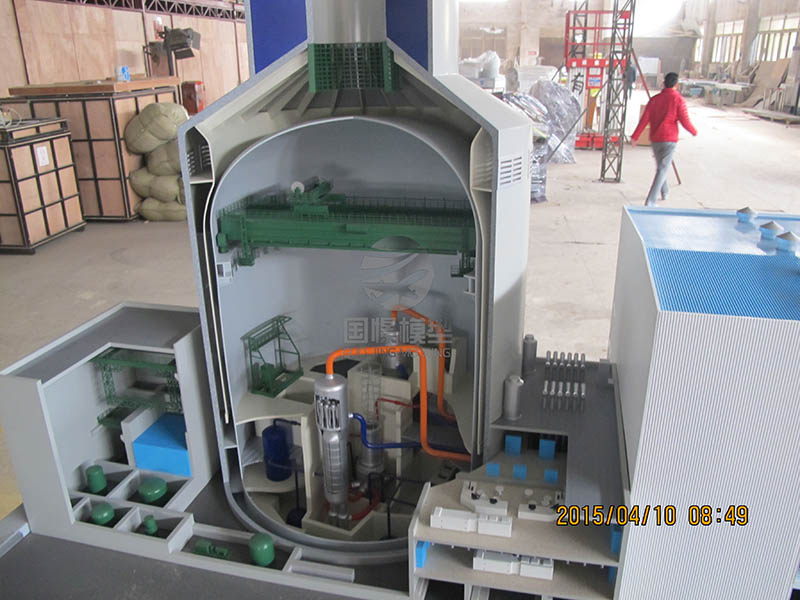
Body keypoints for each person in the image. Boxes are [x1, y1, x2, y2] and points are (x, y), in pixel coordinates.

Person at [632, 72, 697, 206]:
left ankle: (665, 191)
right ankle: (651, 201)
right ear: (676, 85)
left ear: (664, 83)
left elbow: (644, 119)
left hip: (656, 139)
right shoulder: (678, 99)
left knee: (662, 166)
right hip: (669, 139)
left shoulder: (655, 100)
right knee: (662, 168)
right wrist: (693, 131)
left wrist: (635, 136)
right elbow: (684, 119)